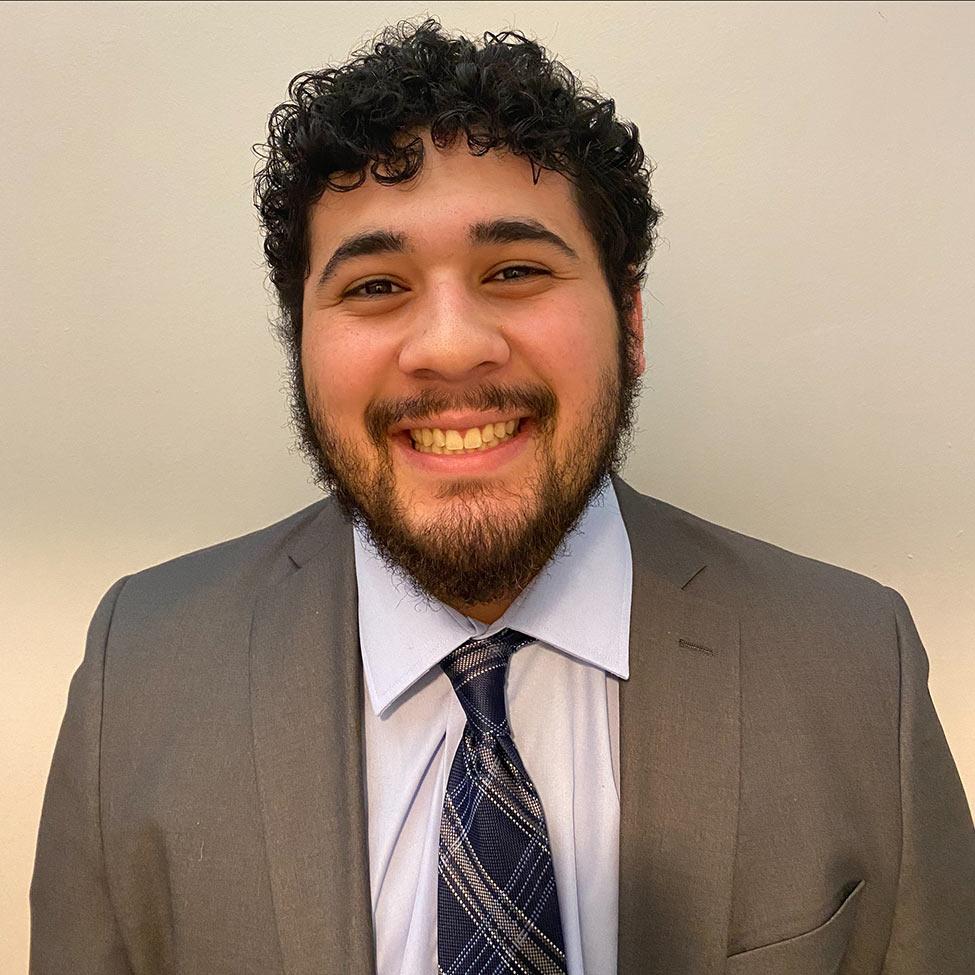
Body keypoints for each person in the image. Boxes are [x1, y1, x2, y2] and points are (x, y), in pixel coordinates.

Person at [29, 18, 974, 975]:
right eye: (375, 285)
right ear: (300, 345)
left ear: (629, 322)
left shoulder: (859, 666)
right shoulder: (136, 674)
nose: (450, 345)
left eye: (515, 271)